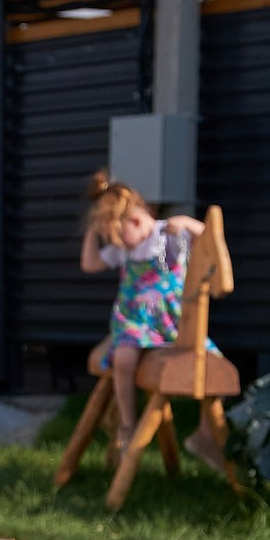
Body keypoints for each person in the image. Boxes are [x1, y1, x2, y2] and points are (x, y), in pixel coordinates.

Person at [80, 173, 212, 459]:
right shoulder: (124, 248)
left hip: (170, 323)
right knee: (123, 359)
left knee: (214, 368)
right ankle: (127, 426)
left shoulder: (168, 236)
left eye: (116, 235)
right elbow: (90, 264)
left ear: (136, 221)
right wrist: (94, 228)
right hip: (135, 324)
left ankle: (206, 435)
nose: (117, 243)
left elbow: (211, 237)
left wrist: (189, 222)